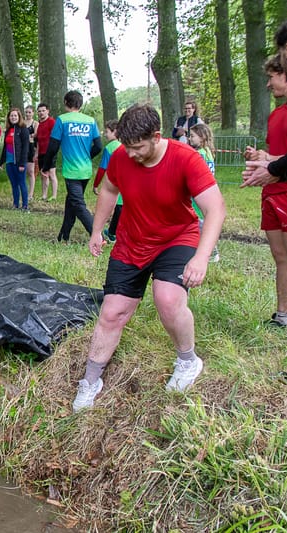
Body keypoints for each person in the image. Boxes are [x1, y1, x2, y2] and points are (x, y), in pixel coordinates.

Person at [73, 104, 225, 411]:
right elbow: (108, 190)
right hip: (132, 241)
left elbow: (216, 209)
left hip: (176, 239)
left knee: (167, 300)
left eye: (138, 147)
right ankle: (91, 381)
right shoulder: (121, 156)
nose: (130, 154)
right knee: (112, 312)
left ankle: (187, 361)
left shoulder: (186, 159)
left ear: (156, 136)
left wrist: (201, 258)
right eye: (126, 147)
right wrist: (96, 230)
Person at [244, 52, 287, 327]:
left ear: (284, 73)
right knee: (280, 258)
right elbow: (281, 153)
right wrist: (261, 156)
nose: (268, 85)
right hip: (270, 192)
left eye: (270, 77)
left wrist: (271, 163)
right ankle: (283, 316)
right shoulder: (276, 114)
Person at [42, 91, 103, 242]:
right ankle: (63, 237)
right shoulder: (90, 120)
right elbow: (99, 146)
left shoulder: (62, 120)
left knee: (78, 204)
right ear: (80, 104)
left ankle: (97, 235)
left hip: (72, 171)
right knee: (71, 203)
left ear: (65, 102)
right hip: (86, 170)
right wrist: (87, 156)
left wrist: (46, 166)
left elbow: (53, 146)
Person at [188, 123, 221, 263]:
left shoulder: (199, 154)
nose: (190, 139)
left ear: (201, 137)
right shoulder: (208, 152)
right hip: (206, 191)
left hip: (198, 192)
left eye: (192, 136)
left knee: (199, 222)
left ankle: (212, 252)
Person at [92, 120, 122, 242]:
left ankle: (112, 234)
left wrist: (95, 184)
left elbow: (102, 169)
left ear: (115, 131)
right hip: (127, 182)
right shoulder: (124, 146)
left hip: (116, 184)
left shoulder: (109, 148)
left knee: (118, 209)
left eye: (107, 131)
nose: (104, 134)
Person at [0, 107, 31, 211]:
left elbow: (26, 147)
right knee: (14, 184)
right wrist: (2, 161)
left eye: (15, 115)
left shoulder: (23, 129)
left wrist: (22, 163)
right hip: (9, 161)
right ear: (8, 118)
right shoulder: (8, 130)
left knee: (22, 183)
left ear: (19, 117)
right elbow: (5, 147)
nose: (13, 117)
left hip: (19, 161)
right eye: (11, 116)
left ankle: (25, 205)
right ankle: (15, 204)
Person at [36, 103, 58, 202]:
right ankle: (44, 195)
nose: (41, 113)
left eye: (43, 110)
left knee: (52, 173)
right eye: (39, 111)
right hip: (41, 152)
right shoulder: (39, 124)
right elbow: (38, 140)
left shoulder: (52, 122)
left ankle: (54, 195)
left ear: (47, 111)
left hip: (50, 152)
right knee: (43, 174)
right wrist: (36, 154)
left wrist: (53, 151)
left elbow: (55, 138)